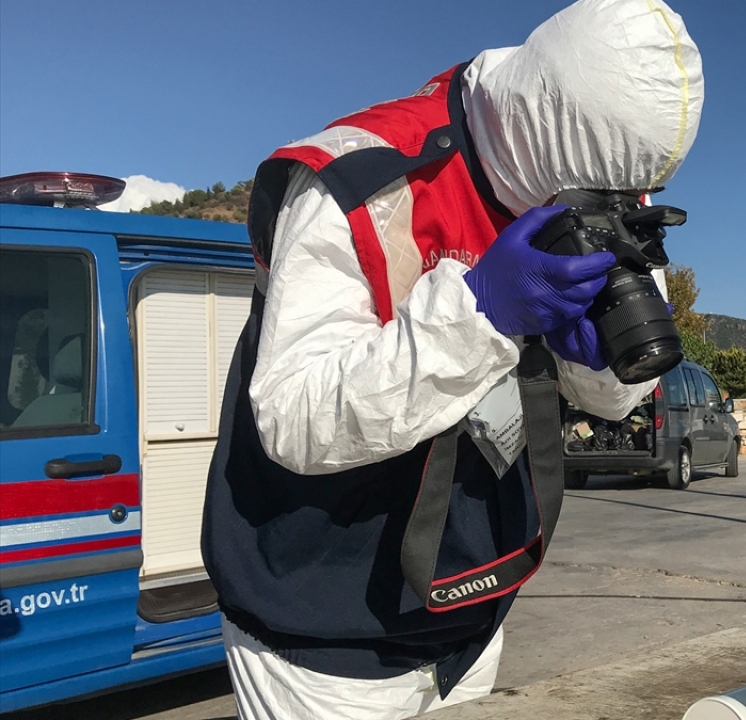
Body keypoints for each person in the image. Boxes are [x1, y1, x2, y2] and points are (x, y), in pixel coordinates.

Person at [200, 1, 703, 718]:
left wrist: (593, 365)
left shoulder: (604, 180)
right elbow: (293, 418)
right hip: (327, 635)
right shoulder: (361, 180)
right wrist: (481, 315)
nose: (610, 203)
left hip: (474, 612)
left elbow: (616, 393)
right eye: (598, 186)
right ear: (544, 121)